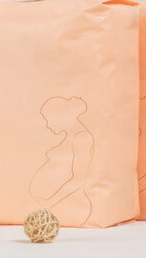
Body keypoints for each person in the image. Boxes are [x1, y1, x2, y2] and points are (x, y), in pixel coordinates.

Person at [29, 96, 94, 224]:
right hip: (53, 206)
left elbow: (79, 179)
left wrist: (49, 204)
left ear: (60, 116)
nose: (47, 125)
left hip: (69, 208)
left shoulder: (81, 137)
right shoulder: (70, 137)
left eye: (48, 120)